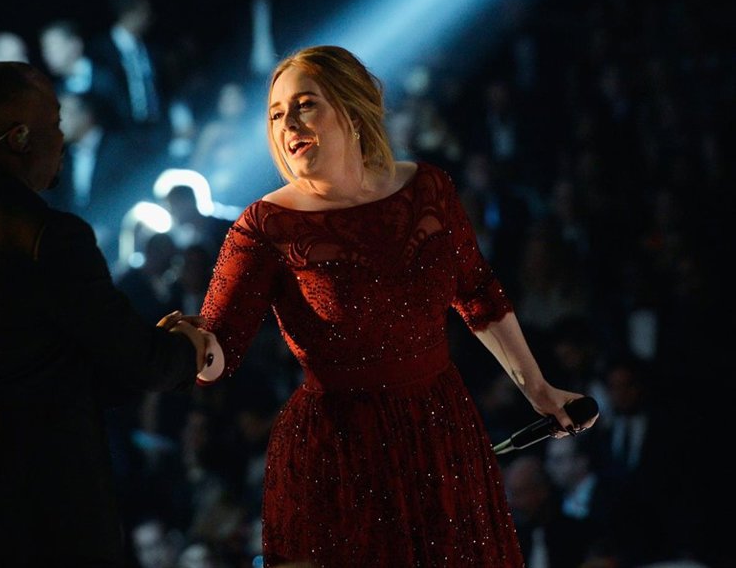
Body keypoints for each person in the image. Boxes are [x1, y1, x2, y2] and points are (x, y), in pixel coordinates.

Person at [167, 46, 597, 565]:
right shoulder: (264, 225)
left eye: (305, 104)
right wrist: (190, 344)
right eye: (277, 113)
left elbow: (478, 292)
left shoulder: (428, 189)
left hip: (441, 426)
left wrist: (539, 391)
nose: (288, 123)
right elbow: (221, 347)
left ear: (351, 109)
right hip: (339, 451)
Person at [0, 61, 214, 568]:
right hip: (36, 523)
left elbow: (21, 374)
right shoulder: (43, 234)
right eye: (54, 125)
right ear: (20, 137)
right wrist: (190, 348)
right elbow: (135, 360)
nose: (63, 141)